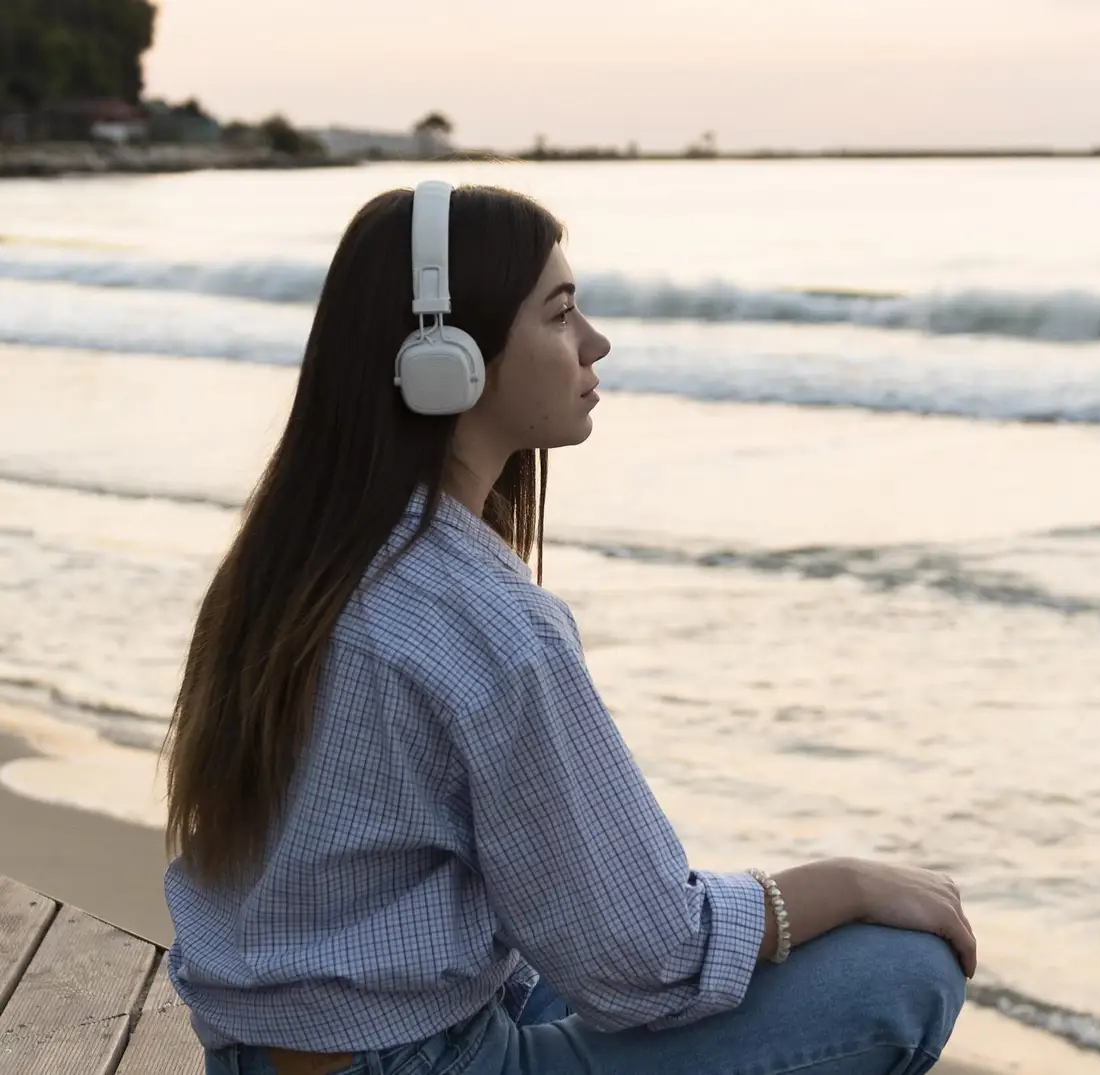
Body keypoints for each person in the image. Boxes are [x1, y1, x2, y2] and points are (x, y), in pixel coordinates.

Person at [160, 181, 974, 1075]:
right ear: (448, 359)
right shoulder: (483, 619)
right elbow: (649, 955)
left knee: (587, 945)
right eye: (559, 315)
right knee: (901, 970)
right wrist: (844, 883)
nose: (595, 342)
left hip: (266, 1052)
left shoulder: (290, 559)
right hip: (414, 1062)